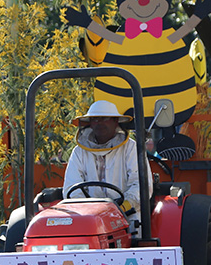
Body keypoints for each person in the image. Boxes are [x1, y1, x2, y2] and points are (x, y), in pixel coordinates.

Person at [62, 100, 153, 235]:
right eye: (95, 119)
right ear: (90, 124)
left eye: (104, 118)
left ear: (115, 122)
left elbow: (140, 184)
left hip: (127, 215)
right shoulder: (79, 151)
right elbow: (72, 187)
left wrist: (122, 207)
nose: (99, 123)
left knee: (136, 236)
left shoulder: (130, 148)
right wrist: (88, 211)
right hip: (89, 219)